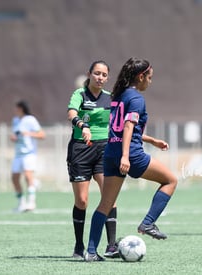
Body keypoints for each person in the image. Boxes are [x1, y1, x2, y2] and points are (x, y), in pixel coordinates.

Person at [84, 57, 178, 262]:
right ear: (140, 76)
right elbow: (127, 126)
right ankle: (148, 223)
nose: (150, 82)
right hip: (131, 155)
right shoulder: (136, 98)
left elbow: (120, 128)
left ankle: (90, 252)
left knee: (105, 205)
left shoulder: (118, 95)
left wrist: (152, 140)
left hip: (110, 153)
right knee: (171, 180)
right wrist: (126, 156)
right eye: (149, 78)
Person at [67, 60, 119, 259]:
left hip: (104, 150)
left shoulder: (110, 98)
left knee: (110, 196)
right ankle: (79, 246)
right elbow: (71, 112)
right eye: (97, 73)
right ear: (89, 74)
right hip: (81, 149)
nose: (100, 78)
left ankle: (111, 245)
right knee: (82, 201)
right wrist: (82, 125)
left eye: (104, 75)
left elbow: (120, 124)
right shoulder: (79, 95)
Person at [10, 100, 45, 212]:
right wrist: (13, 138)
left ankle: (31, 202)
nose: (15, 110)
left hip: (29, 153)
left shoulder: (30, 120)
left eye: (16, 108)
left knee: (27, 176)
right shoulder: (15, 120)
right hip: (18, 154)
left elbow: (42, 135)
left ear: (21, 108)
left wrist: (29, 134)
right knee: (14, 178)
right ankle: (21, 203)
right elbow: (14, 134)